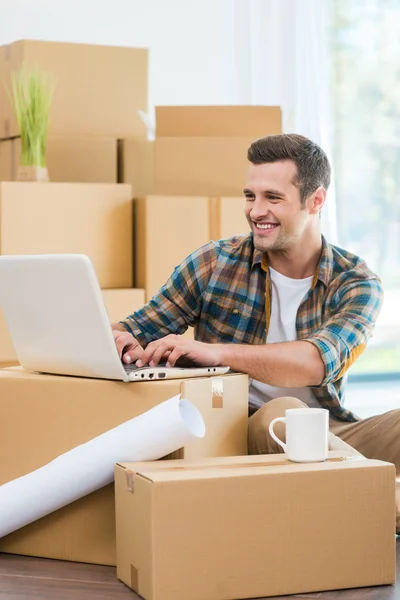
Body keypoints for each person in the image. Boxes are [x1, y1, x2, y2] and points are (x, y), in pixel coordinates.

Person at [113, 133, 400, 528]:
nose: (256, 211)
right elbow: (136, 327)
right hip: (239, 427)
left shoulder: (356, 282)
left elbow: (316, 363)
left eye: (273, 198)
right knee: (281, 414)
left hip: (325, 427)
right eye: (250, 196)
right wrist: (122, 338)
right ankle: (384, 499)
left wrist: (220, 353)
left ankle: (366, 489)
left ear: (315, 201)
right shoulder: (214, 262)